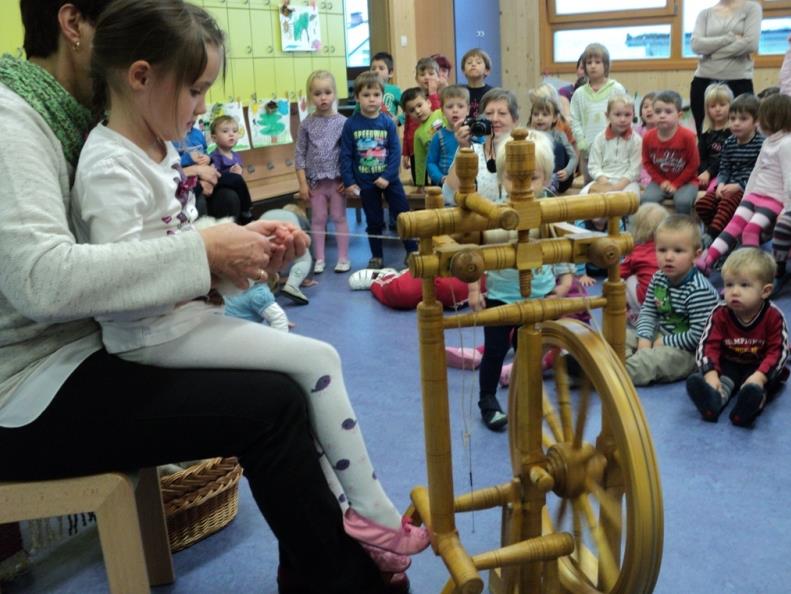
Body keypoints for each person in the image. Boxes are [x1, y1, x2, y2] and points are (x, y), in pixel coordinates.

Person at [0, 1, 406, 592]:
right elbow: (43, 281)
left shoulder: (100, 123)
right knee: (270, 408)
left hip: (93, 346)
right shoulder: (17, 123)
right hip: (31, 388)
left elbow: (151, 249)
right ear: (72, 23)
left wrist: (236, 256)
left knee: (284, 389)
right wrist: (206, 254)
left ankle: (332, 562)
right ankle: (342, 575)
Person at [466, 131, 575, 430]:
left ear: (546, 178)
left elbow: (559, 244)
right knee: (495, 350)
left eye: (533, 178)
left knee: (530, 351)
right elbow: (476, 251)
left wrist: (565, 279)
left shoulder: (548, 210)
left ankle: (526, 396)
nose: (522, 185)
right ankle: (488, 399)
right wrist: (474, 288)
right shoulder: (494, 212)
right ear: (502, 176)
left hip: (540, 294)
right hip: (500, 297)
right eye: (513, 178)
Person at [687, 248, 789, 427]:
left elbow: (778, 352)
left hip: (759, 365)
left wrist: (760, 376)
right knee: (721, 380)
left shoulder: (774, 317)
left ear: (765, 291)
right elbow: (708, 345)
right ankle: (713, 402)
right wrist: (710, 373)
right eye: (729, 285)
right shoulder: (720, 313)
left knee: (762, 385)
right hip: (730, 363)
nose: (734, 292)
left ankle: (746, 410)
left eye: (744, 285)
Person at [696, 94, 791, 274]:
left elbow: (789, 179)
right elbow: (755, 173)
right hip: (754, 195)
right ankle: (707, 260)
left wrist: (786, 209)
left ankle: (752, 273)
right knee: (732, 228)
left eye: (761, 117)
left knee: (750, 230)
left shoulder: (786, 144)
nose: (759, 122)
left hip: (773, 200)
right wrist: (746, 198)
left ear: (773, 118)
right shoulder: (769, 142)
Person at [626, 215, 719, 386]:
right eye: (662, 250)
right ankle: (607, 364)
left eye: (678, 251)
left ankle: (608, 373)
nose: (668, 257)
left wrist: (663, 342)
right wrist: (644, 338)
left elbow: (698, 336)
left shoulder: (699, 290)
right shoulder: (658, 278)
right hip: (661, 334)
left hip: (688, 351)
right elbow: (648, 311)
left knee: (647, 363)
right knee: (621, 337)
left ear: (695, 255)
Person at [341, 72, 418, 269]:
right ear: (357, 98)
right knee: (373, 220)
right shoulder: (351, 124)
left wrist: (387, 176)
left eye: (376, 95)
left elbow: (395, 152)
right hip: (365, 183)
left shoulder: (387, 123)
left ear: (382, 97)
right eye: (366, 95)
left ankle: (411, 250)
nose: (372, 99)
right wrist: (349, 182)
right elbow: (346, 155)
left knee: (403, 215)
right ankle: (376, 256)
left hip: (389, 180)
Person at [295, 70, 350, 275]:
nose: (323, 98)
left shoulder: (343, 122)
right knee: (318, 219)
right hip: (315, 183)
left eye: (327, 92)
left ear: (335, 93)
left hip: (337, 181)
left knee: (338, 216)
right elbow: (299, 155)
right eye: (317, 94)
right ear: (310, 96)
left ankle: (343, 257)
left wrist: (348, 179)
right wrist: (302, 183)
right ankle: (319, 258)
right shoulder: (306, 124)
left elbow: (349, 153)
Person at [694, 93, 763, 246]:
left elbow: (759, 174)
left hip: (746, 188)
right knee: (702, 204)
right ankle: (724, 234)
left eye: (743, 119)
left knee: (725, 204)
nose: (736, 123)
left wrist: (739, 186)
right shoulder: (729, 142)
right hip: (727, 186)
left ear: (756, 121)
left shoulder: (761, 144)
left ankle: (713, 238)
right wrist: (720, 184)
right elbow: (724, 168)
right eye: (732, 119)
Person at [689, 0, 761, 138]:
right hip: (704, 80)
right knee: (704, 135)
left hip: (738, 81)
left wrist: (713, 54)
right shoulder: (704, 14)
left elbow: (750, 44)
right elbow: (696, 46)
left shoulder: (751, 8)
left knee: (743, 136)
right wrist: (728, 39)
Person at [569, 43, 626, 183]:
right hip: (587, 151)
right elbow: (575, 120)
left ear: (606, 65)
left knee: (611, 188)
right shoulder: (579, 94)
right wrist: (581, 141)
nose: (593, 66)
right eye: (589, 63)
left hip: (613, 152)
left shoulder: (616, 89)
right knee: (590, 188)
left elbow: (624, 116)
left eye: (597, 62)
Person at [641, 90, 700, 214]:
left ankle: (682, 226)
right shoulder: (648, 137)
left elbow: (693, 164)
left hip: (686, 182)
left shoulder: (688, 137)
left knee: (683, 202)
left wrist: (676, 184)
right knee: (646, 200)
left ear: (679, 115)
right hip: (660, 181)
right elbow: (647, 162)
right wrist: (661, 181)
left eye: (668, 112)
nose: (662, 115)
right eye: (658, 111)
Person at [581, 94, 642, 198]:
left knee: (632, 198)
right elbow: (593, 166)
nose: (622, 119)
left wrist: (617, 187)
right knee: (583, 195)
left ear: (633, 115)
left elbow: (635, 169)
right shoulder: (600, 138)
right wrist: (604, 182)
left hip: (627, 183)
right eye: (617, 115)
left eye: (627, 115)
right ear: (607, 115)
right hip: (603, 181)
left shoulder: (636, 140)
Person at [620, 203, 667, 325]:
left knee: (628, 279)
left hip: (647, 304)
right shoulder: (669, 249)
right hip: (669, 303)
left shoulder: (637, 251)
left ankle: (636, 315)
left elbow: (618, 273)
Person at [208, 114, 254, 224]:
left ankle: (245, 210)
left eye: (235, 131)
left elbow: (240, 173)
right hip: (222, 191)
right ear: (214, 138)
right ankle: (246, 211)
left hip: (236, 191)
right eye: (225, 131)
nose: (231, 134)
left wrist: (239, 171)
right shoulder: (214, 156)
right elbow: (214, 175)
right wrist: (230, 173)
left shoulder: (236, 155)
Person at [401, 57, 441, 182]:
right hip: (415, 150)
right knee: (419, 180)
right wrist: (406, 152)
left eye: (431, 74)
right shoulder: (411, 100)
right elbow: (407, 129)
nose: (427, 77)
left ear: (438, 77)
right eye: (422, 74)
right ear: (417, 78)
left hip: (436, 148)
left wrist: (433, 94)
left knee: (436, 181)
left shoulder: (439, 97)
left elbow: (438, 115)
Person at [528, 96, 577, 195]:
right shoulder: (529, 135)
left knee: (557, 147)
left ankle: (551, 185)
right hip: (537, 177)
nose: (539, 118)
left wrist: (567, 171)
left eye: (545, 115)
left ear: (554, 118)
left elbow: (573, 157)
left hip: (561, 178)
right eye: (536, 114)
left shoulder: (559, 135)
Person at [401, 86, 444, 188]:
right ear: (408, 115)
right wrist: (420, 184)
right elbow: (419, 160)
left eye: (419, 105)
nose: (417, 111)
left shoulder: (441, 113)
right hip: (437, 173)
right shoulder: (418, 134)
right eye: (412, 110)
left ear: (428, 103)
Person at [426, 85, 468, 187]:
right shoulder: (438, 136)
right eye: (449, 107)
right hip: (446, 184)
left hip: (470, 183)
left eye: (460, 106)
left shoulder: (474, 134)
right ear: (442, 111)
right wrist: (440, 178)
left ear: (468, 110)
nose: (455, 110)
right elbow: (431, 162)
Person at [697, 83, 733, 192]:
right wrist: (703, 173)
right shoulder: (706, 132)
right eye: (712, 106)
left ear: (730, 106)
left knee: (711, 191)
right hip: (706, 174)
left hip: (724, 174)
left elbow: (725, 158)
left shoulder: (733, 132)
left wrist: (709, 172)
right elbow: (701, 157)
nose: (717, 109)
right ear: (707, 109)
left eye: (722, 105)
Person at [225, 281, 290, 331]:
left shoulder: (258, 293)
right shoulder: (258, 292)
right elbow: (278, 318)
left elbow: (278, 318)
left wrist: (280, 323)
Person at [460, 48, 493, 119]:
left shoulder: (493, 93)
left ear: (487, 70)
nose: (473, 64)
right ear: (463, 71)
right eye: (469, 63)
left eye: (478, 62)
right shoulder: (458, 92)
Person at [369, 51, 402, 120]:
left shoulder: (395, 90)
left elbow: (408, 107)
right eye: (373, 68)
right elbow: (357, 113)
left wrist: (398, 119)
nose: (376, 71)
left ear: (390, 73)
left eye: (381, 68)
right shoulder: (366, 90)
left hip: (389, 126)